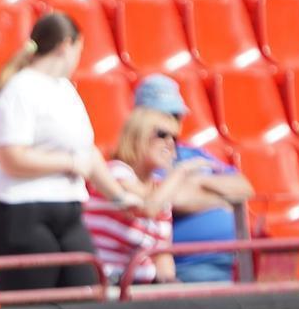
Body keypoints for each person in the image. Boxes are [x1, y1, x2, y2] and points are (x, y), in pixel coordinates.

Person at [0, 12, 142, 292]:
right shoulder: (19, 89)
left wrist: (120, 197)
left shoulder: (65, 89)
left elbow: (86, 154)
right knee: (36, 308)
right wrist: (68, 163)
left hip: (66, 210)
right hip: (19, 211)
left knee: (87, 290)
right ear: (67, 45)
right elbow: (11, 157)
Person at [133, 74, 253, 283]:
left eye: (176, 116)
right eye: (164, 116)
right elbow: (171, 200)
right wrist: (224, 199)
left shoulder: (193, 153)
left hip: (234, 260)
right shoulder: (141, 160)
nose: (173, 124)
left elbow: (244, 188)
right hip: (189, 266)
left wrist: (198, 182)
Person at [82, 108, 212, 284]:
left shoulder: (161, 189)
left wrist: (171, 286)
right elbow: (148, 208)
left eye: (174, 138)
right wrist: (180, 172)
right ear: (138, 136)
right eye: (162, 134)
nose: (170, 143)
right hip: (106, 284)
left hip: (141, 286)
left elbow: (162, 253)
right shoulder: (114, 172)